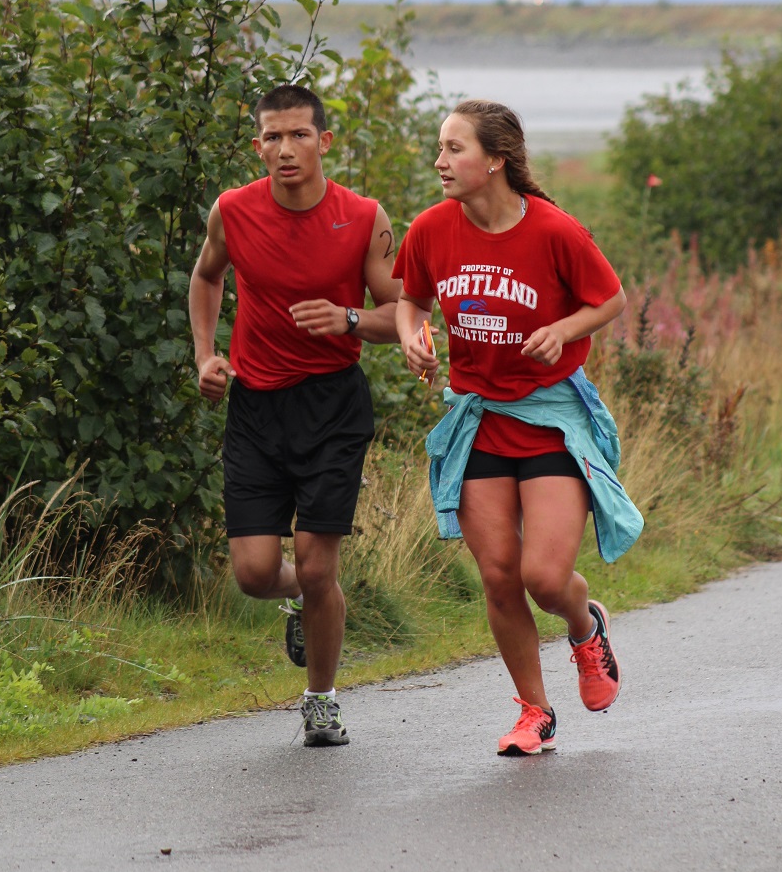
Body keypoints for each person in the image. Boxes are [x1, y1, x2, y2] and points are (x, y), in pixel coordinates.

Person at [395, 99, 641, 757]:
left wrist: (562, 329)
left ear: (495, 159)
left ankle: (586, 624)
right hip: (479, 420)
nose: (440, 161)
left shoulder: (554, 230)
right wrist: (411, 337)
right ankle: (535, 711)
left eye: (454, 149)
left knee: (542, 575)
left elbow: (610, 298)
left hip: (550, 418)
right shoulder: (431, 229)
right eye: (440, 147)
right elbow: (410, 299)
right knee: (500, 575)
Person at [189, 83, 401, 747]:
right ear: (258, 145)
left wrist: (346, 318)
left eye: (299, 136)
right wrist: (205, 355)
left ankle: (321, 698)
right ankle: (304, 603)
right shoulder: (233, 210)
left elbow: (403, 315)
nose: (285, 150)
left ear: (325, 142)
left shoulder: (363, 217)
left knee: (317, 565)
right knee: (254, 573)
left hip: (332, 404)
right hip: (255, 405)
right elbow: (205, 276)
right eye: (272, 138)